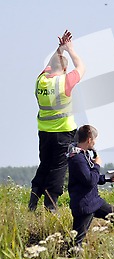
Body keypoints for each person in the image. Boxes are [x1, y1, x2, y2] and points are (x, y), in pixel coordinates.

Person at [28, 30, 85, 212]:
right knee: (58, 169)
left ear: (49, 68)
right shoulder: (65, 82)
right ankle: (51, 206)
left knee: (44, 165)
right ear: (65, 68)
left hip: (44, 132)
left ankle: (33, 202)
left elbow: (51, 64)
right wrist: (70, 49)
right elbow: (82, 67)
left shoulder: (41, 81)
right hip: (63, 132)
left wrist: (60, 49)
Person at [67, 124, 114, 247]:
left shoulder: (83, 154)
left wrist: (106, 178)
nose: (95, 143)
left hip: (94, 202)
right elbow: (89, 180)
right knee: (77, 240)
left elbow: (89, 177)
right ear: (89, 140)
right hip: (84, 205)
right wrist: (97, 165)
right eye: (94, 140)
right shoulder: (77, 159)